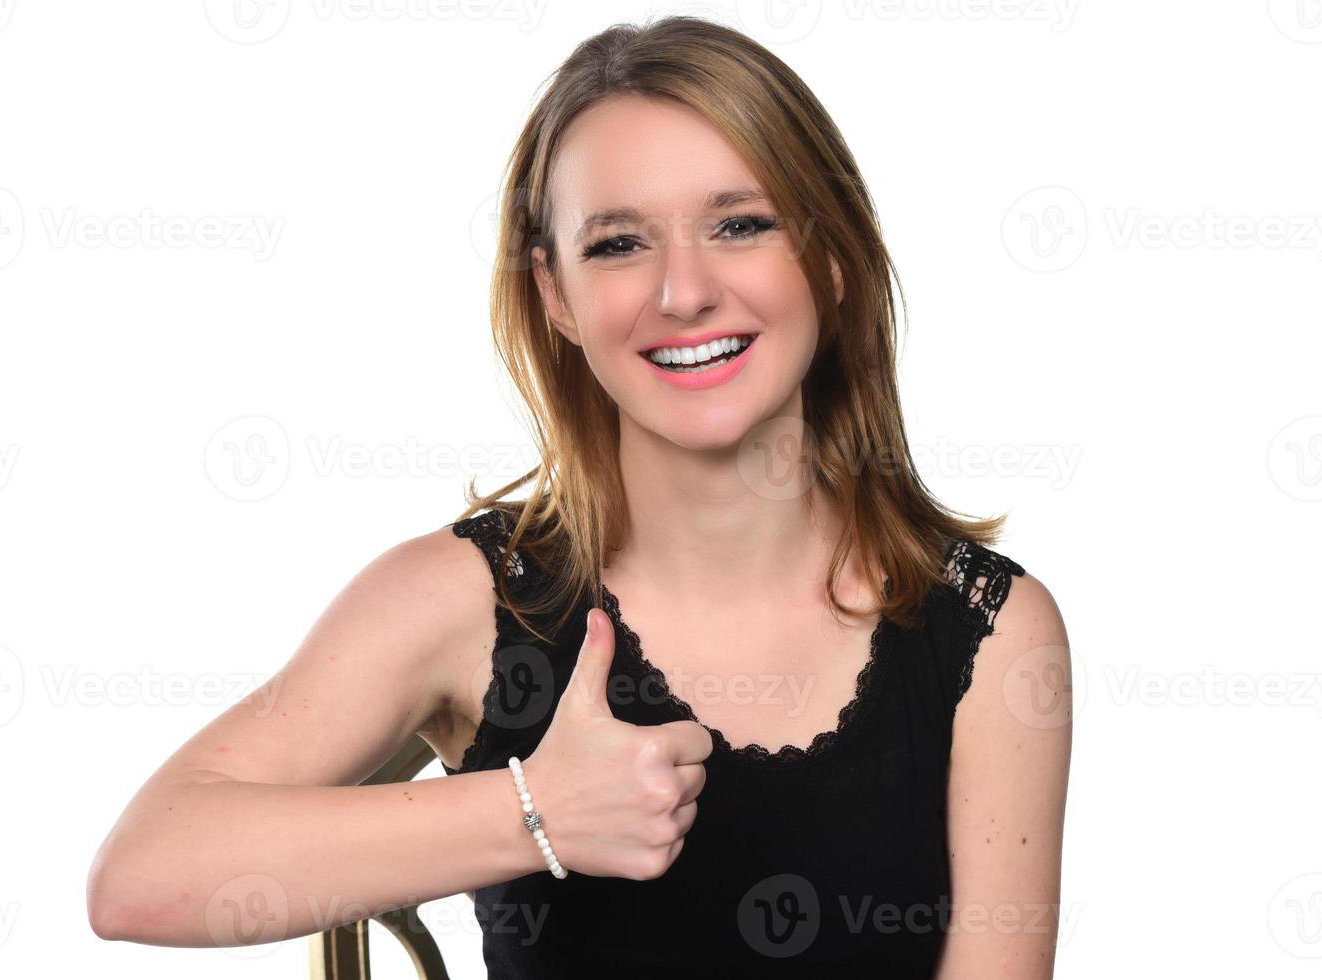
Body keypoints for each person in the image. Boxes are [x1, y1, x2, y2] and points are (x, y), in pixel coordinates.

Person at [86, 14, 1072, 979]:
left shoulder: (991, 628)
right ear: (555, 295)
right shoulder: (463, 597)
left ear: (834, 256)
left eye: (741, 224)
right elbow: (139, 876)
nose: (684, 291)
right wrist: (536, 811)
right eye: (617, 244)